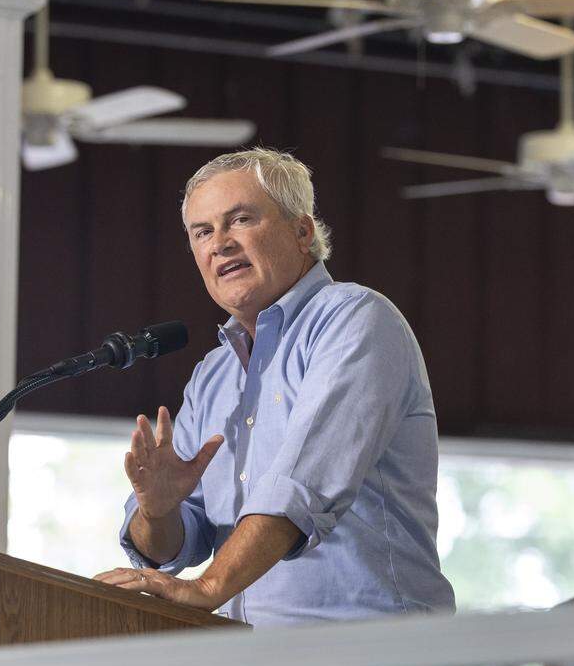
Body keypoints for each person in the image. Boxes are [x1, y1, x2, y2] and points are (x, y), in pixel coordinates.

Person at [93, 148, 456, 627]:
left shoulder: (355, 318)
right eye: (202, 232)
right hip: (254, 661)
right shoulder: (214, 375)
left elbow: (303, 485)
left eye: (239, 220)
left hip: (372, 657)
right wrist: (158, 513)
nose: (219, 244)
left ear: (302, 231)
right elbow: (175, 545)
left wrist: (207, 586)